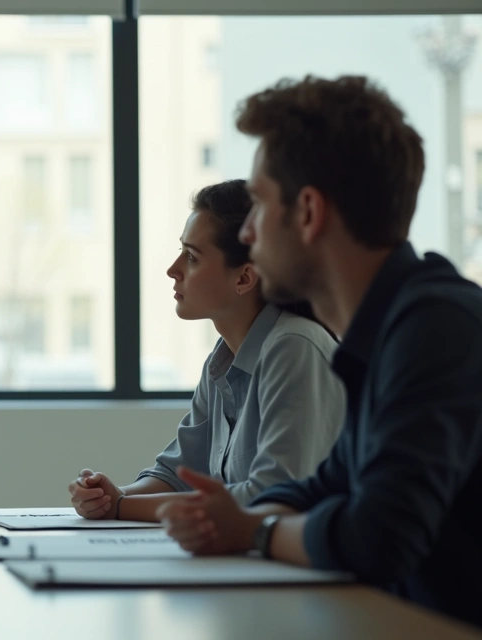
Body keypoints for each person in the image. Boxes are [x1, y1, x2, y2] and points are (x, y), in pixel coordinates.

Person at [157, 75, 482, 628]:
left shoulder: (435, 325)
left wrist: (252, 529)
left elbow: (378, 536)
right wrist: (233, 517)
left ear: (308, 213)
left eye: (258, 204)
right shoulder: (380, 334)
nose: (251, 235)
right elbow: (325, 486)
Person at [69, 180, 345, 522]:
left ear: (244, 278)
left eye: (191, 257)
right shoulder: (223, 360)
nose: (173, 270)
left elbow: (272, 495)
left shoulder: (294, 347)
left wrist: (123, 507)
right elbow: (176, 475)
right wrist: (112, 495)